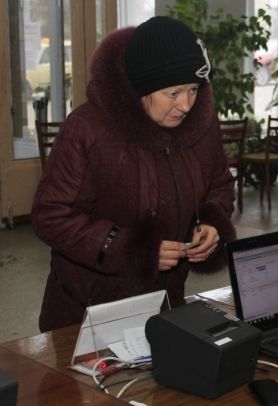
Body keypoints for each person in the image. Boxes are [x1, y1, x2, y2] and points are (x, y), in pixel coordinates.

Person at [31, 16, 236, 332]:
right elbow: (51, 215)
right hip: (87, 313)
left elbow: (219, 184)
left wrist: (210, 222)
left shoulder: (200, 125)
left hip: (166, 304)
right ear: (142, 87)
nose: (186, 105)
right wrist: (130, 249)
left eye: (193, 90)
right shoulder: (87, 129)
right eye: (173, 93)